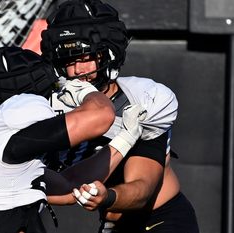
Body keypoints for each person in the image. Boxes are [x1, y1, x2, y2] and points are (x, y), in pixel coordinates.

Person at [0, 46, 147, 233]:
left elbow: (69, 188)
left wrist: (124, 140)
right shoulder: (16, 110)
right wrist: (81, 90)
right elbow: (101, 116)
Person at [40, 0, 199, 232]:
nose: (78, 70)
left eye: (86, 57)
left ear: (109, 53)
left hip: (159, 220)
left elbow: (142, 189)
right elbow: (49, 187)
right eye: (69, 60)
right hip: (112, 225)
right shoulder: (47, 108)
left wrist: (107, 197)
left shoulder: (140, 102)